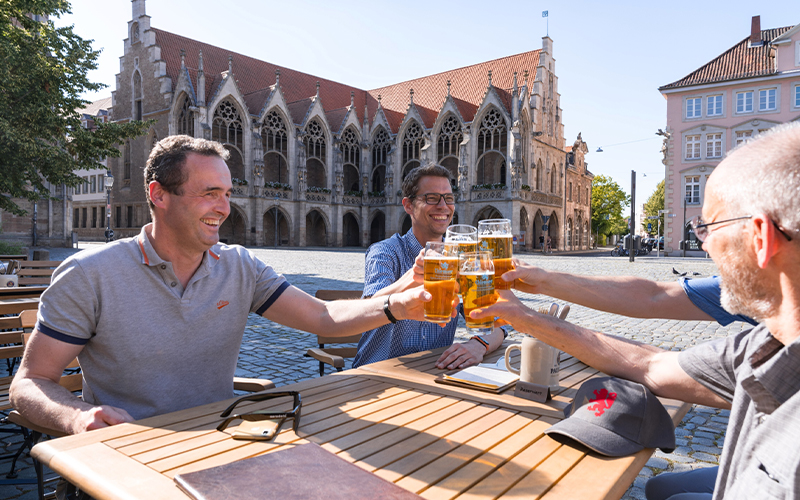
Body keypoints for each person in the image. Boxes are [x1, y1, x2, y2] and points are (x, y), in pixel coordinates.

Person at [9, 136, 432, 435]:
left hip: (219, 438)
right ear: (158, 194)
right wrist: (77, 417)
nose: (225, 208)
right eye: (210, 193)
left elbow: (322, 316)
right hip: (128, 448)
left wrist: (397, 305)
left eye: (227, 193)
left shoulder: (239, 265)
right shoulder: (90, 273)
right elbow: (29, 383)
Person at [472, 122, 800, 500]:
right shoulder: (763, 344)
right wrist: (533, 303)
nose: (705, 247)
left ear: (761, 239)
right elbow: (650, 360)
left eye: (708, 229)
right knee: (661, 489)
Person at [352, 164, 505, 370]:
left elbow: (498, 321)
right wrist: (413, 276)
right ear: (408, 206)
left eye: (448, 198)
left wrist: (479, 344)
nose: (443, 206)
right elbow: (368, 308)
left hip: (432, 374)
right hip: (378, 374)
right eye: (432, 198)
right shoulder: (385, 252)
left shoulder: (460, 260)